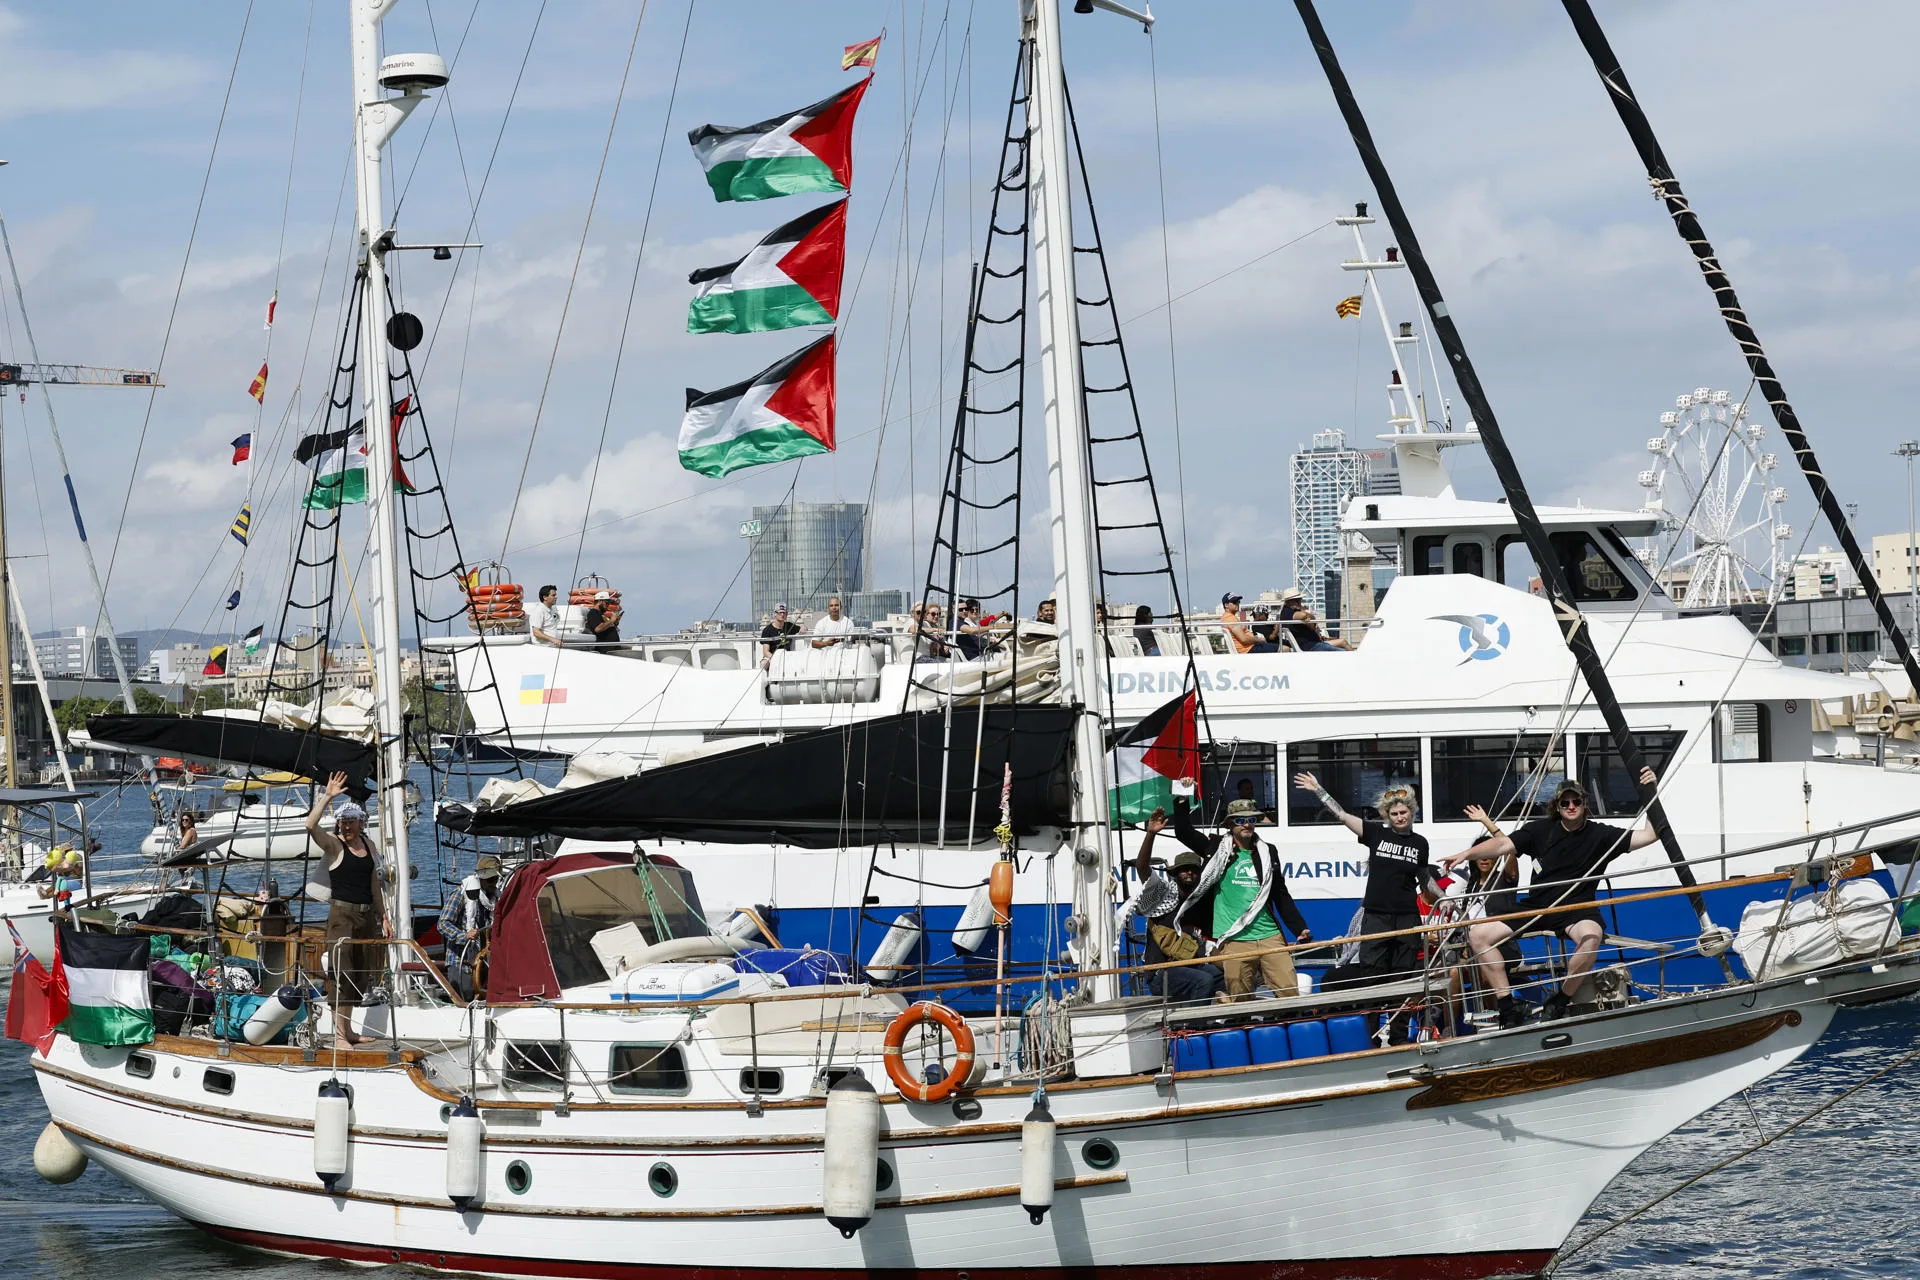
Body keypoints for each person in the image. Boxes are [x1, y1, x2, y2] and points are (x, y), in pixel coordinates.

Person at [1442, 769, 1662, 1027]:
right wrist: (1466, 854)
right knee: (1479, 936)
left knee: (1591, 938)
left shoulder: (1601, 835)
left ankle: (1560, 999)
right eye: (1565, 802)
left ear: (1585, 804)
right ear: (1556, 806)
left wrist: (1651, 791)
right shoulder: (1539, 830)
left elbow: (1650, 835)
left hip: (1578, 909)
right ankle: (1506, 1005)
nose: (1571, 806)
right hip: (1538, 906)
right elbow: (1502, 845)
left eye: (1576, 801)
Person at [1166, 781, 1313, 999]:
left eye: (1251, 820)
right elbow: (1183, 832)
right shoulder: (1215, 847)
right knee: (1240, 999)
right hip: (1233, 937)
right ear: (1230, 825)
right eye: (1241, 820)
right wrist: (1182, 796)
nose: (1247, 825)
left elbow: (1280, 893)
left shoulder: (1268, 851)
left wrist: (1299, 927)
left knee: (1289, 993)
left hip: (1269, 935)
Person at [1296, 771, 1435, 983]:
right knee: (1372, 971)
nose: (1399, 817)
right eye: (1395, 814)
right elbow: (1341, 815)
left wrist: (1445, 899)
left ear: (1412, 812)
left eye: (1403, 812)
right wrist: (1318, 790)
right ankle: (1372, 1017)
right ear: (1388, 816)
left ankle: (1398, 1017)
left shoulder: (1420, 843)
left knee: (1403, 973)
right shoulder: (1376, 834)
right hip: (1376, 916)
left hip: (1407, 917)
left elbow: (1424, 878)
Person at [307, 771, 385, 1045]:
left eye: (351, 822)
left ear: (360, 823)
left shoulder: (369, 845)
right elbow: (310, 825)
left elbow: (375, 885)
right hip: (342, 916)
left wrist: (383, 915)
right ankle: (340, 1034)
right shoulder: (335, 846)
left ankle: (349, 1031)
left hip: (366, 915)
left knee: (360, 973)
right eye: (342, 822)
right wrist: (327, 796)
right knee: (342, 973)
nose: (346, 827)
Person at [1125, 808, 1223, 1004]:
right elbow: (1142, 868)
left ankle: (1223, 1024)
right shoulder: (1162, 894)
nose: (1188, 873)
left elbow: (1209, 945)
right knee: (1203, 981)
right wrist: (1151, 833)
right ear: (1175, 874)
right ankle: (1195, 1027)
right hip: (1162, 972)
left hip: (1192, 965)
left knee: (1223, 977)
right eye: (1183, 870)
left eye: (1193, 870)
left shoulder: (1201, 902)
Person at [440, 855, 502, 1000]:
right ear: (480, 878)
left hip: (482, 960)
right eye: (490, 879)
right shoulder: (461, 894)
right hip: (460, 962)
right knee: (464, 999)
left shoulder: (494, 898)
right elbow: (443, 923)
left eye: (496, 879)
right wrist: (464, 935)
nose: (494, 883)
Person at [1279, 588, 1353, 652]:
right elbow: (1303, 615)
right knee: (1343, 652)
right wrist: (1305, 614)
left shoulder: (1292, 610)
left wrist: (1309, 617)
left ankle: (1358, 661)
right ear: (1289, 602)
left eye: (1300, 600)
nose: (1299, 602)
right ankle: (1356, 661)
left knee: (1343, 642)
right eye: (1297, 600)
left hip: (1315, 642)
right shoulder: (1287, 612)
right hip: (1310, 646)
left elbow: (1311, 620)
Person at [760, 604, 801, 669]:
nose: (782, 615)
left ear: (786, 614)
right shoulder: (767, 630)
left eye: (784, 613)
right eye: (780, 612)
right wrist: (776, 658)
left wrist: (804, 629)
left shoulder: (789, 626)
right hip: (772, 656)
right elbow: (765, 652)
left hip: (788, 656)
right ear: (775, 614)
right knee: (763, 664)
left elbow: (802, 629)